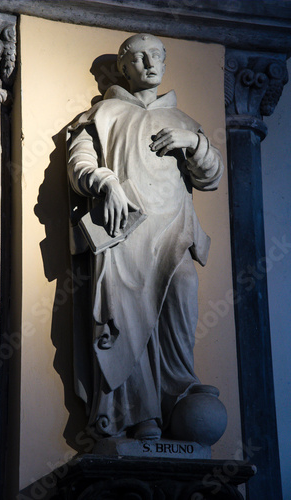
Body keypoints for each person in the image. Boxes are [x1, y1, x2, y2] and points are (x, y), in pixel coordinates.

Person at [66, 33, 224, 440]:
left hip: (174, 232)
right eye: (138, 58)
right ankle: (139, 412)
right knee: (127, 319)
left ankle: (178, 388)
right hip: (125, 234)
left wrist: (197, 144)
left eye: (156, 56)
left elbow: (210, 178)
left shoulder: (185, 121)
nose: (149, 64)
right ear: (123, 67)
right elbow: (78, 162)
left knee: (182, 297)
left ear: (165, 63)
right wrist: (103, 180)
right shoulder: (103, 114)